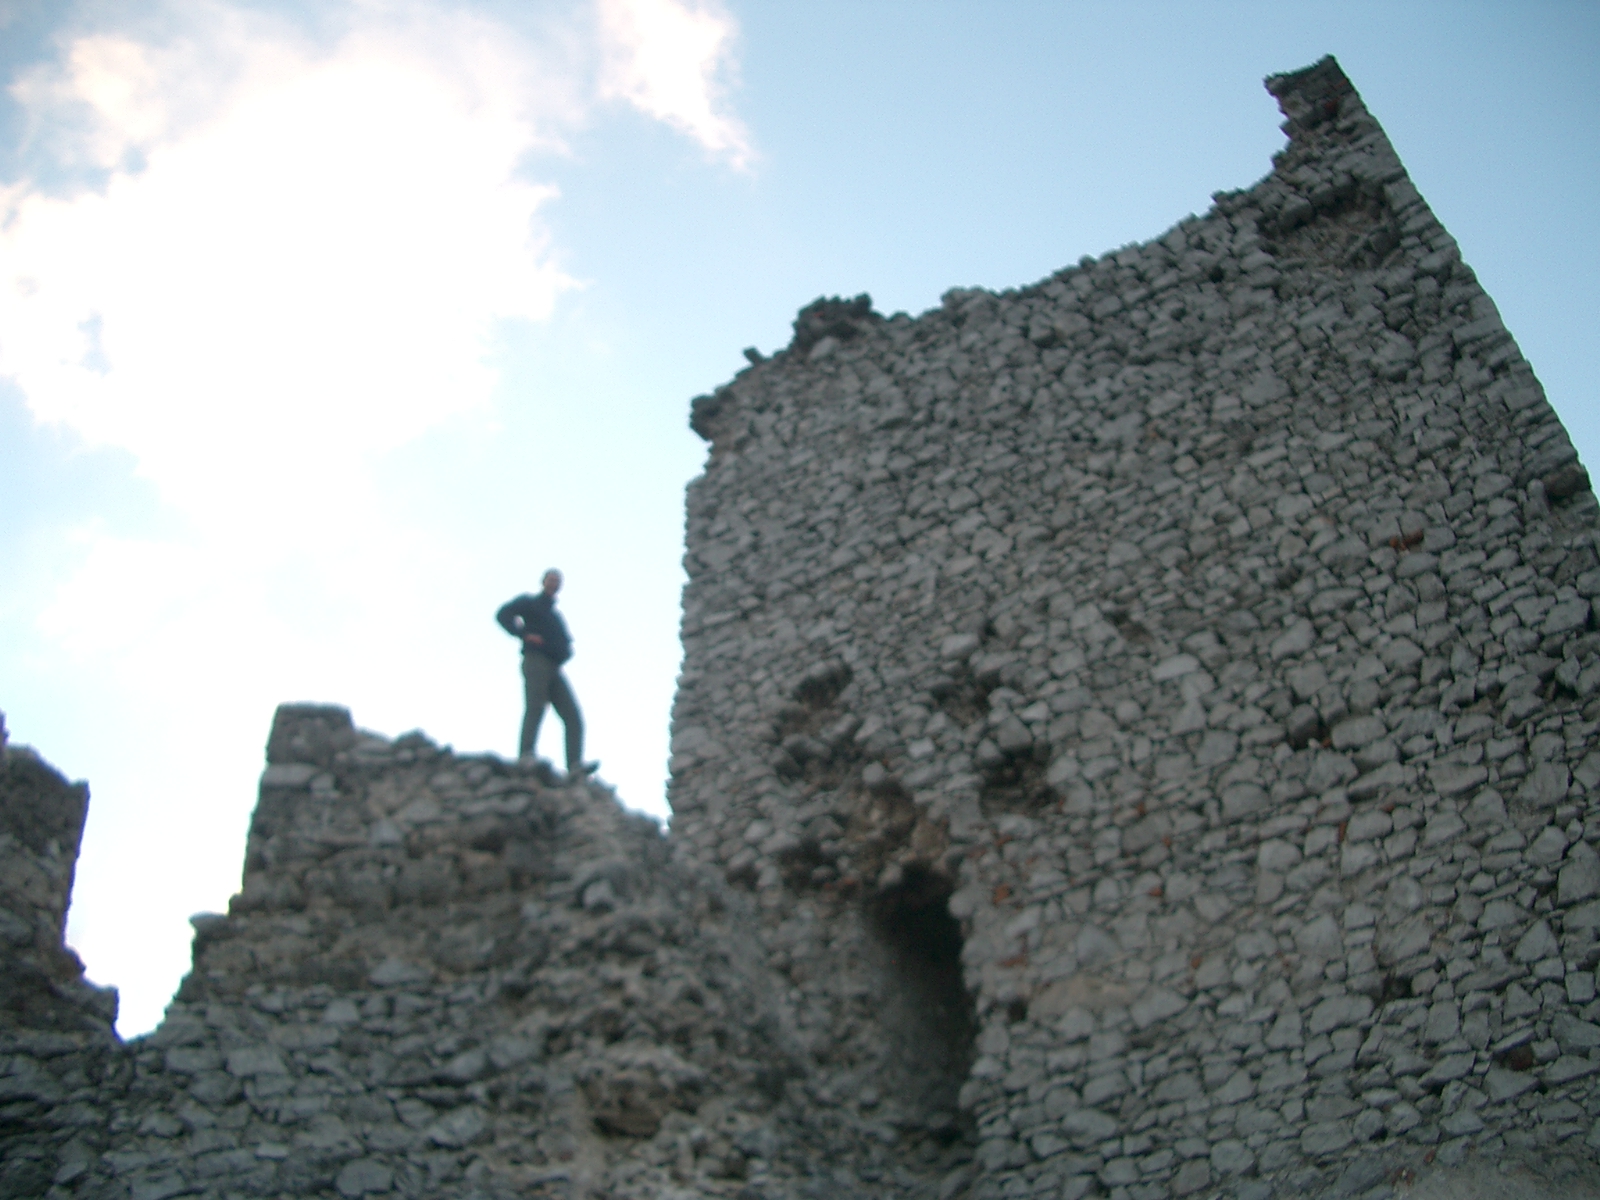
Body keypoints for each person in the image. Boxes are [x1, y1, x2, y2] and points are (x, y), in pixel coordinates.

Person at [497, 570, 597, 780]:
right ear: (543, 581)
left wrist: (562, 652)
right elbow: (503, 614)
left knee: (573, 716)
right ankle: (526, 754)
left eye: (557, 581)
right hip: (535, 660)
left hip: (554, 666)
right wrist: (523, 634)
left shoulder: (555, 617)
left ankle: (575, 766)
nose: (554, 583)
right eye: (551, 579)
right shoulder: (530, 603)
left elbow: (567, 645)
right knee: (536, 706)